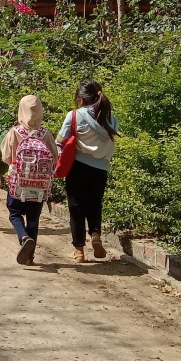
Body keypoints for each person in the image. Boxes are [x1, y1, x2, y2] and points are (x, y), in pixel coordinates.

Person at [57, 79, 120, 263]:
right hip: (101, 169)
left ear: (81, 99)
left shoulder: (74, 116)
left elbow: (59, 142)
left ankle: (78, 251)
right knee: (95, 203)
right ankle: (96, 234)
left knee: (76, 207)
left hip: (78, 167)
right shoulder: (110, 119)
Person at [0, 94, 58, 265]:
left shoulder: (15, 132)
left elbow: (6, 157)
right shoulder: (45, 134)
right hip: (39, 187)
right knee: (33, 218)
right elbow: (55, 158)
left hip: (18, 184)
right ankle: (30, 257)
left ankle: (23, 237)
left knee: (15, 213)